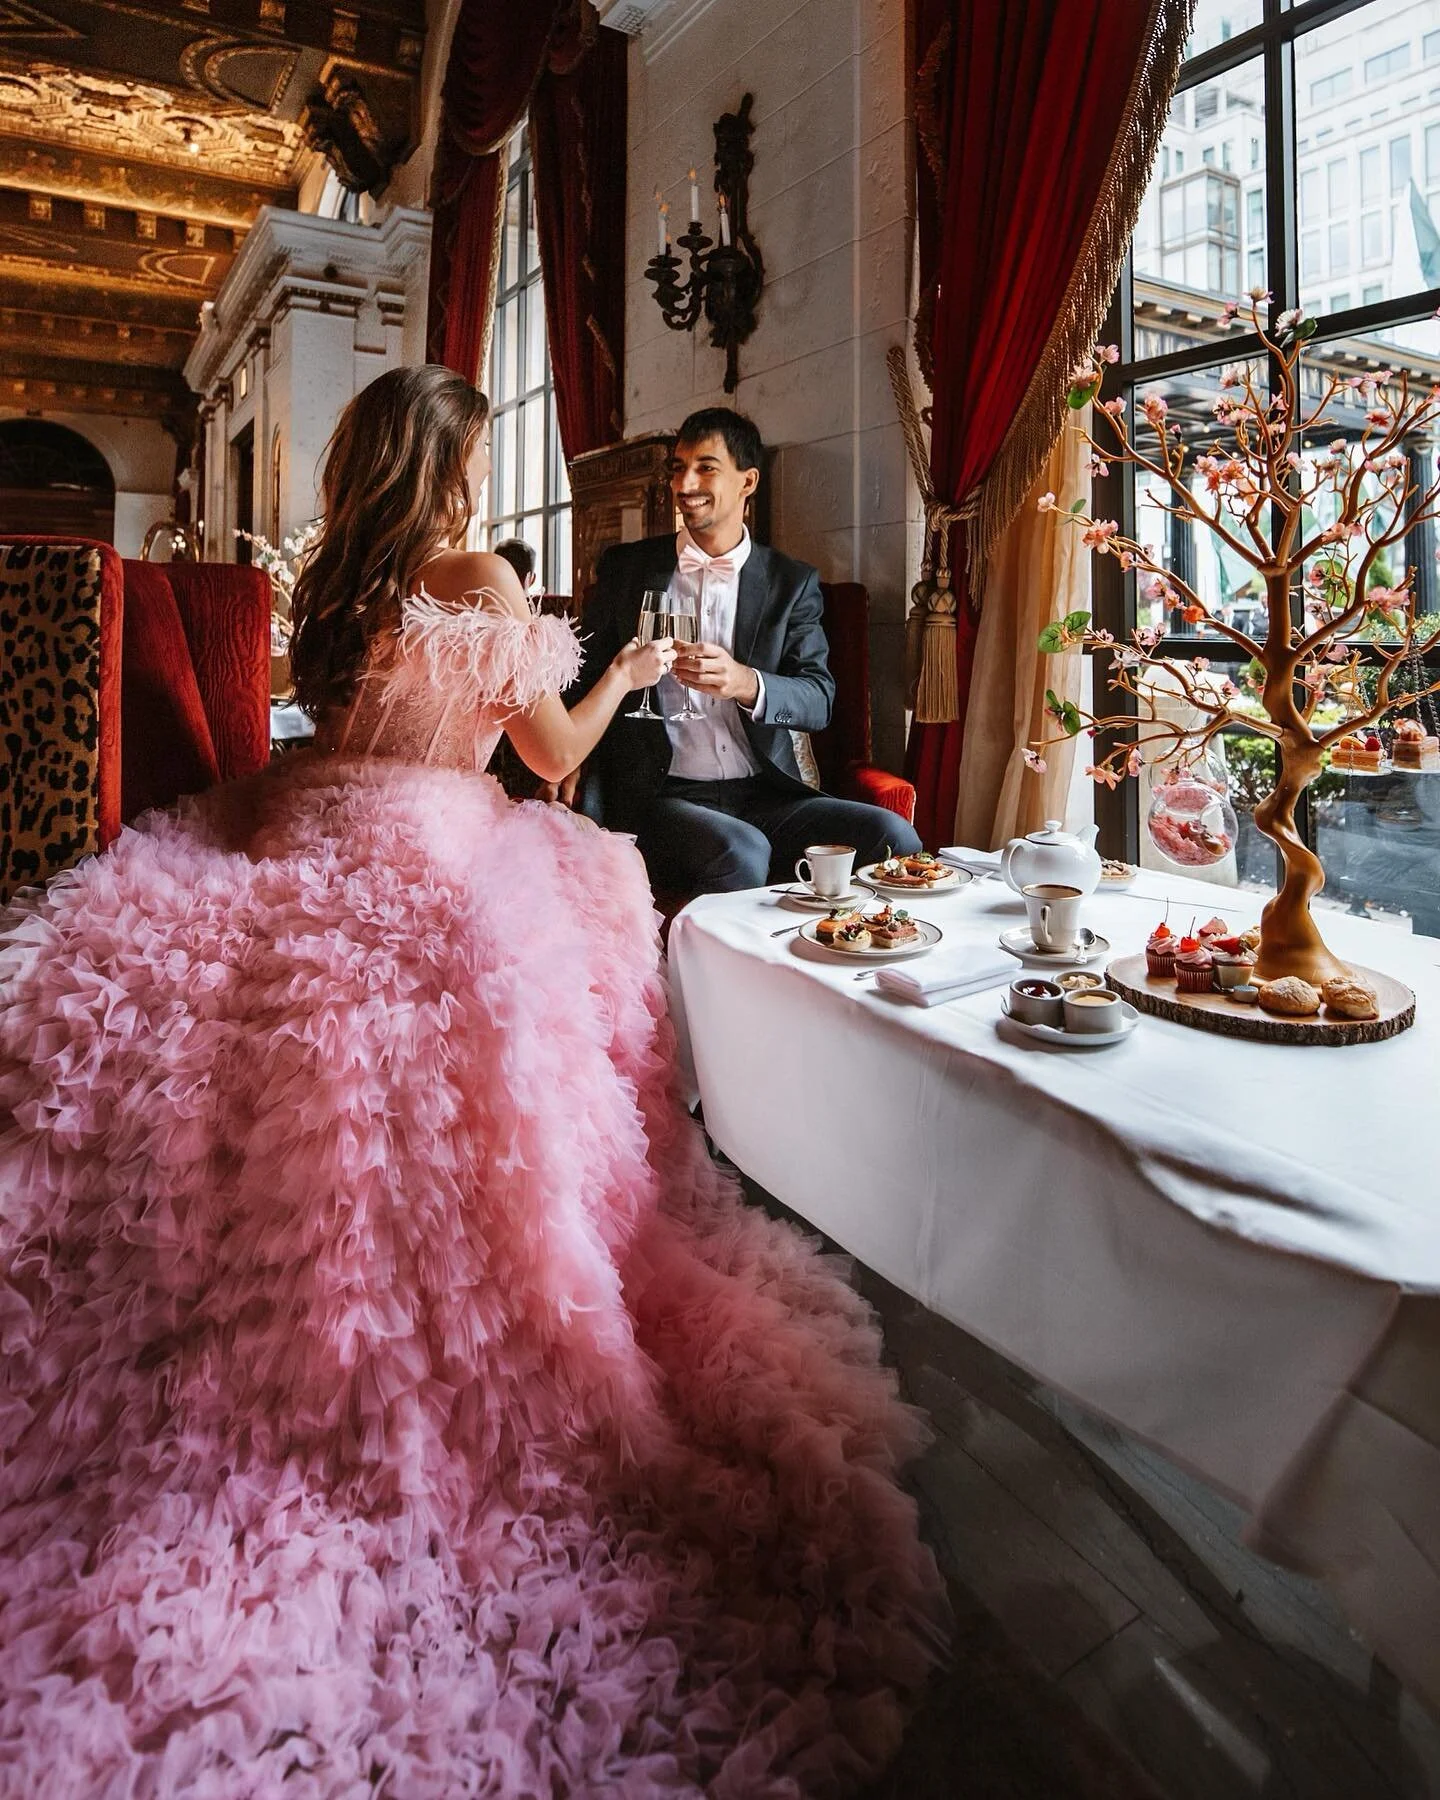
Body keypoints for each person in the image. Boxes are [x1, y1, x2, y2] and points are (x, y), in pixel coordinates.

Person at [0, 364, 944, 1795]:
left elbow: (344, 729)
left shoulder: (338, 583)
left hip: (301, 826)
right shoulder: (483, 574)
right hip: (433, 839)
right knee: (583, 895)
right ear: (446, 461)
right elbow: (553, 762)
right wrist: (619, 668)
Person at [576, 407, 923, 893]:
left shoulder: (790, 583)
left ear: (748, 481)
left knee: (894, 837)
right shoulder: (627, 569)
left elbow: (818, 699)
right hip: (662, 795)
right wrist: (571, 758)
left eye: (706, 467)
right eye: (678, 467)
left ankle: (852, 958)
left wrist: (745, 682)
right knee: (741, 850)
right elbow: (584, 674)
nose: (684, 482)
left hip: (766, 795)